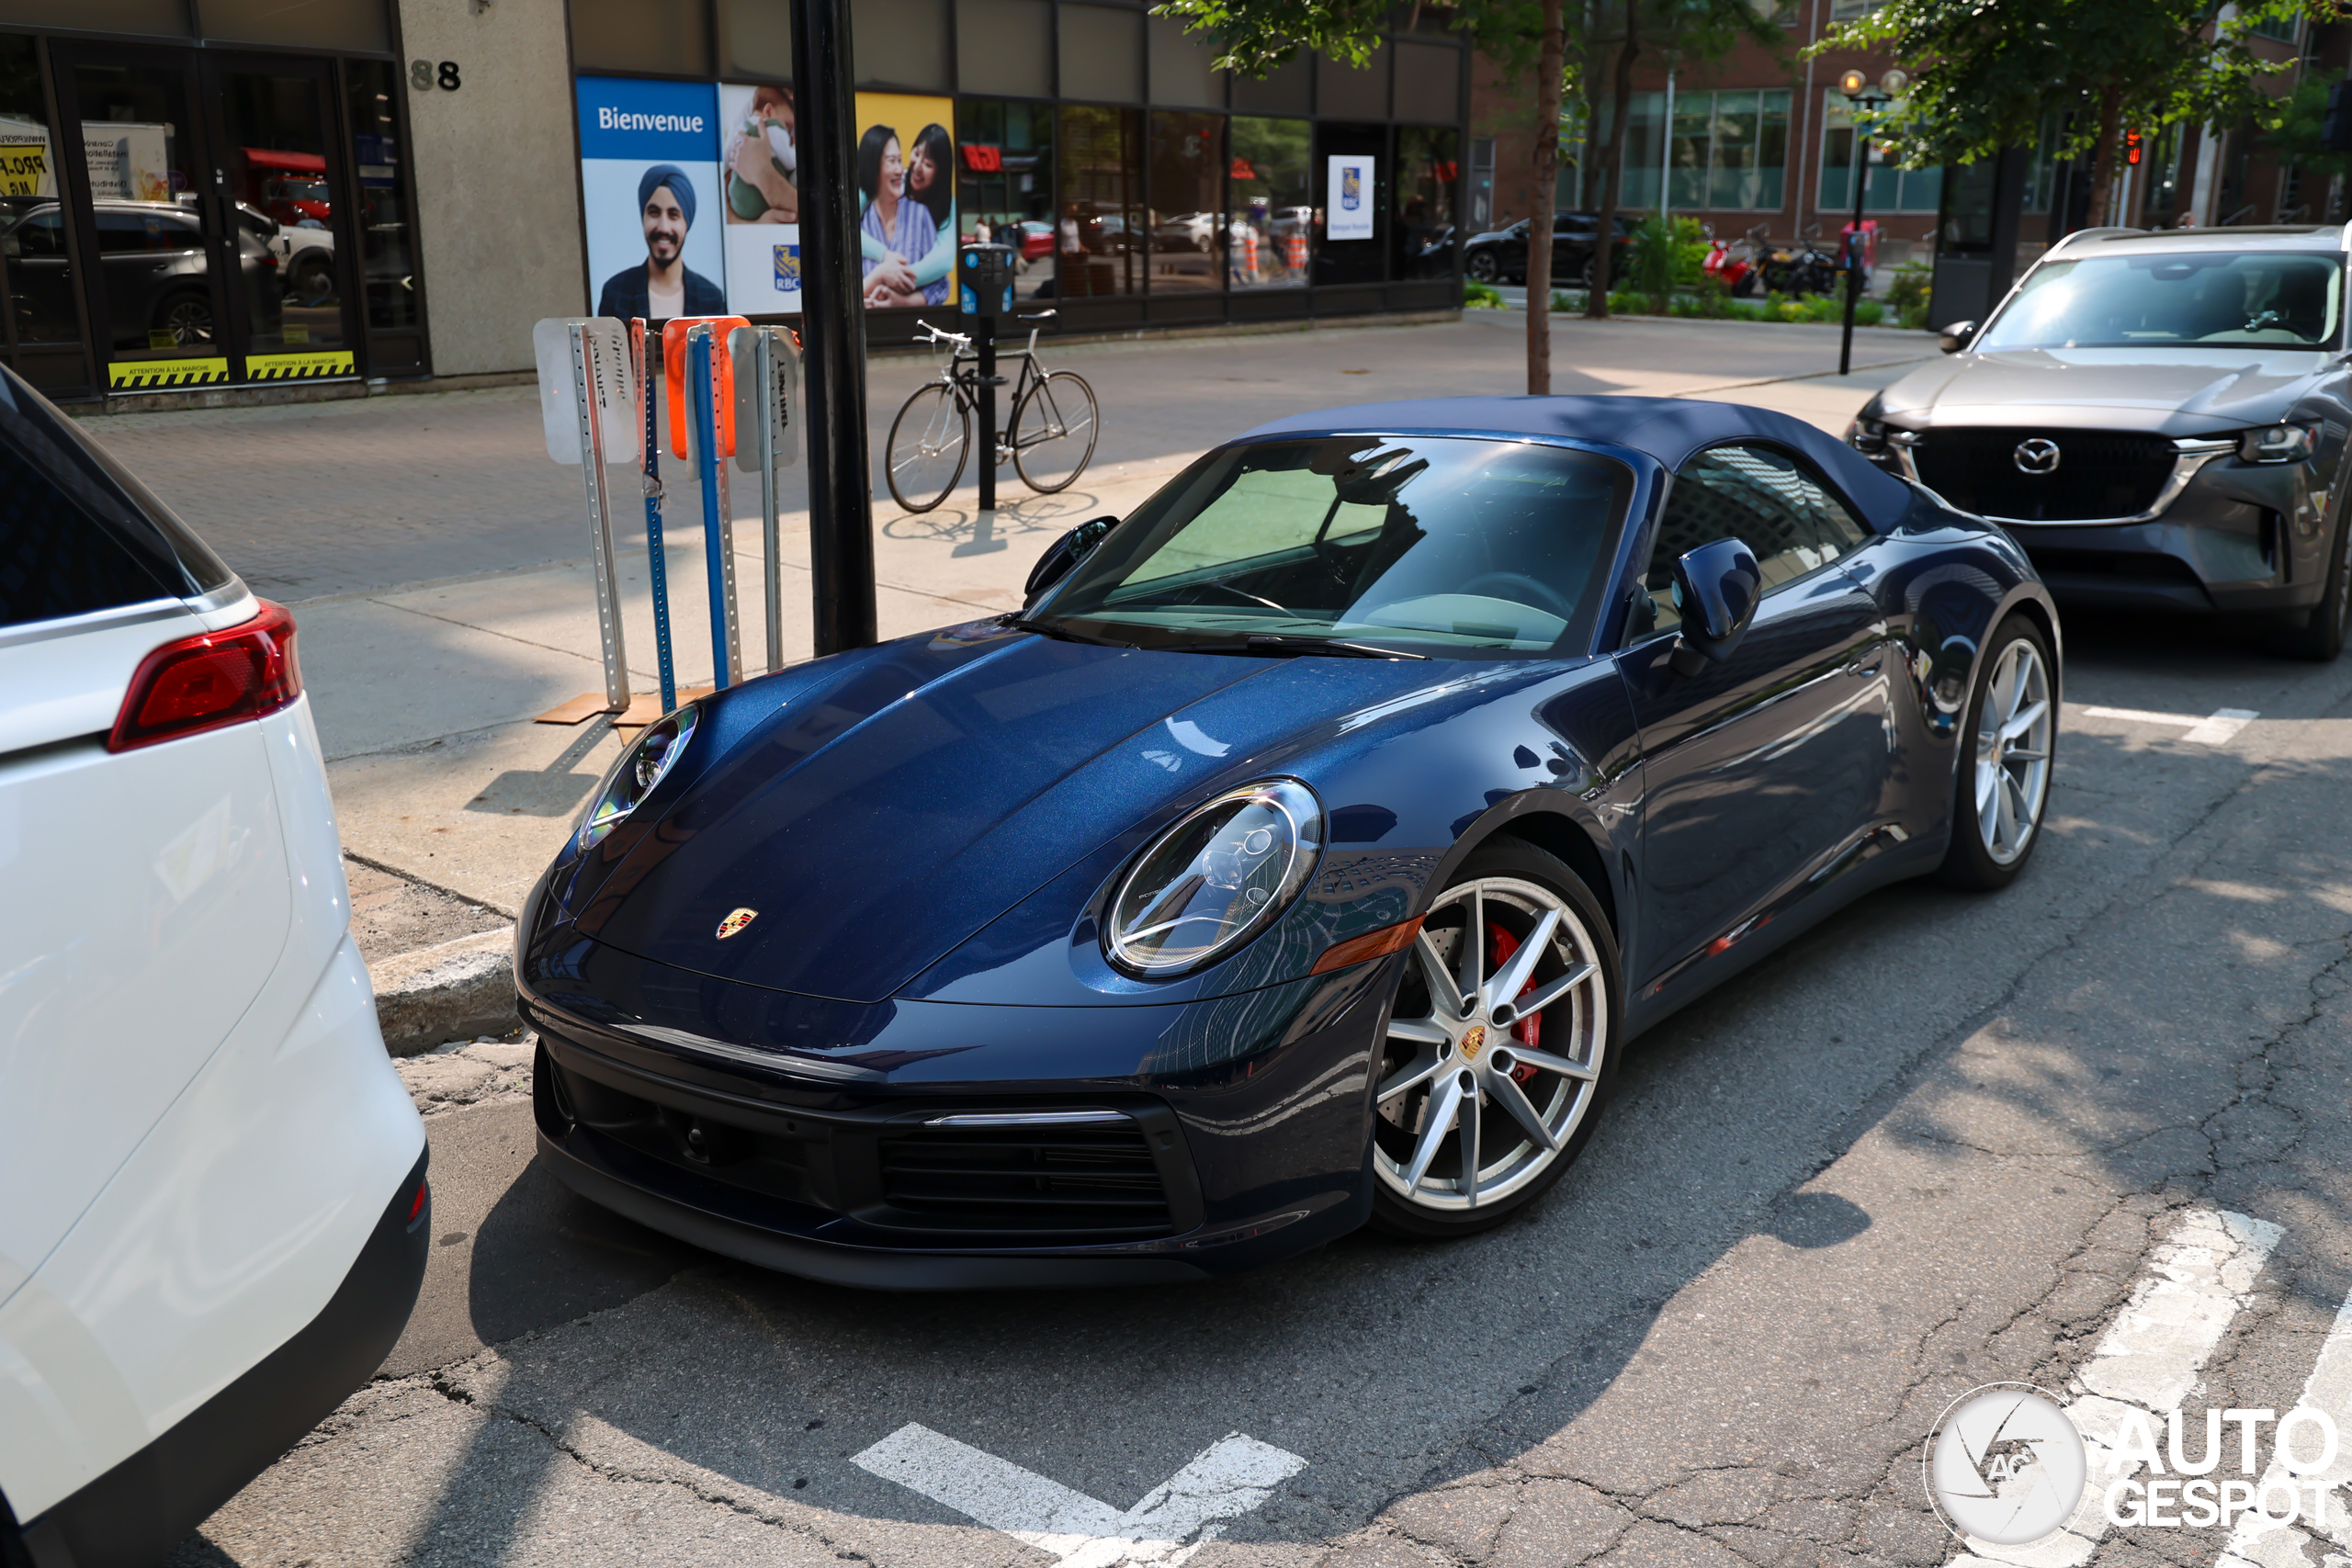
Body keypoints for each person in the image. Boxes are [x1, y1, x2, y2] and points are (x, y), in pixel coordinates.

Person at [596, 164, 725, 321]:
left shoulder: (711, 298)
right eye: (654, 213)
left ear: (687, 223)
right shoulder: (616, 293)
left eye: (673, 215)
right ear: (643, 218)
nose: (664, 227)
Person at [856, 124, 948, 307]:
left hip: (910, 328)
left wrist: (901, 302)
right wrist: (880, 274)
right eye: (891, 161)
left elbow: (940, 288)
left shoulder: (920, 215)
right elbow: (842, 293)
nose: (900, 170)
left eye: (900, 160)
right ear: (873, 167)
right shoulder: (858, 221)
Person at [726, 85, 797, 224]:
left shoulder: (749, 123)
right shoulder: (762, 108)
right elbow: (717, 197)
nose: (788, 132)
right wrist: (754, 226)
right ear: (768, 110)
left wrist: (763, 174)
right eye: (787, 125)